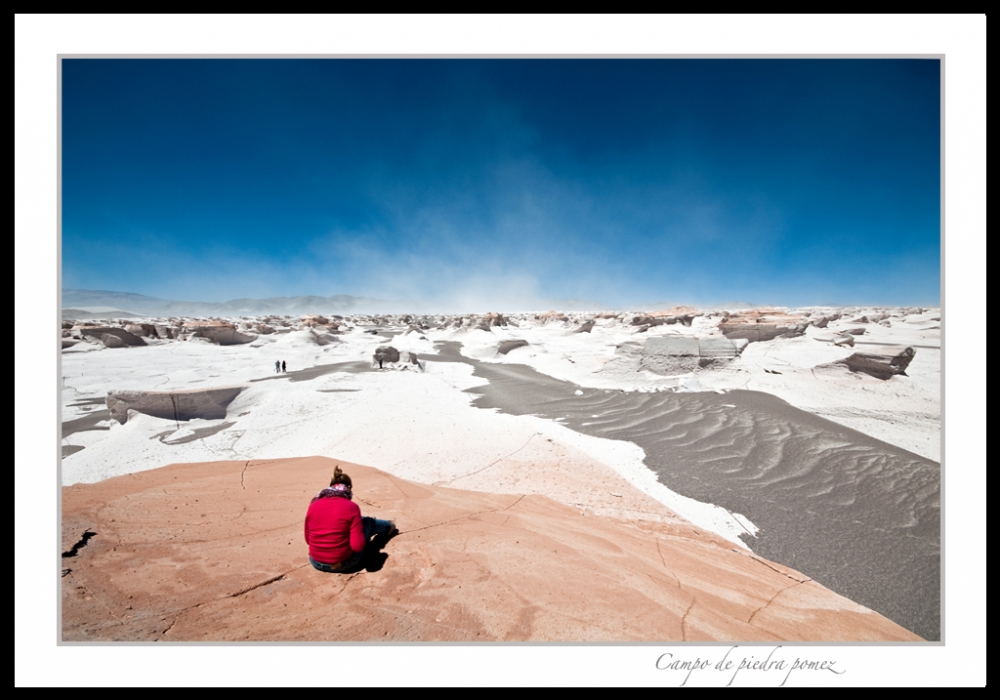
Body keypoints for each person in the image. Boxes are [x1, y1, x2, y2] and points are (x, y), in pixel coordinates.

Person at [304, 465, 396, 573]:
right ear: (348, 489)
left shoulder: (313, 505)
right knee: (367, 522)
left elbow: (308, 540)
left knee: (354, 521)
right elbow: (357, 546)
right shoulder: (351, 507)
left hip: (315, 562)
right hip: (343, 564)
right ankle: (389, 525)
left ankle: (387, 525)